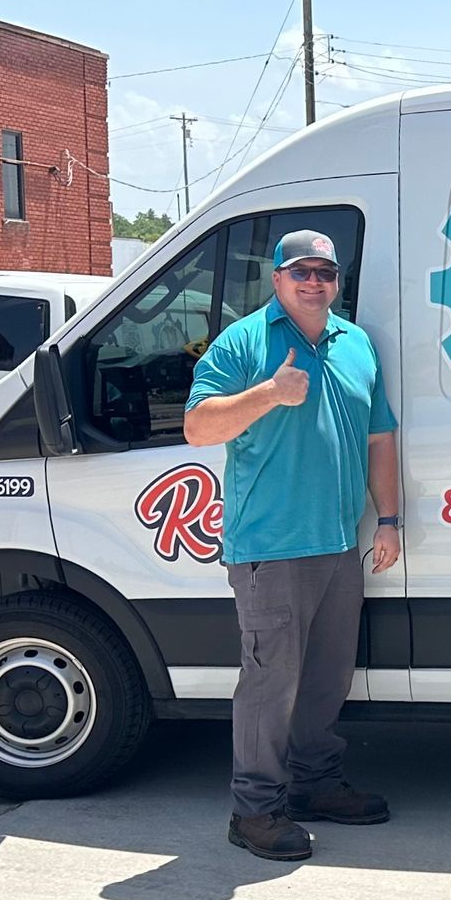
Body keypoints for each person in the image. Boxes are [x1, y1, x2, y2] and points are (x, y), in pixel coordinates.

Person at [184, 228, 402, 862]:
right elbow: (197, 427)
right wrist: (269, 394)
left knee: (326, 678)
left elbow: (379, 438)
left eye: (325, 273)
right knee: (270, 685)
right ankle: (254, 811)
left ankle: (314, 785)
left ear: (337, 282)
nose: (314, 283)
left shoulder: (355, 343)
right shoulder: (244, 341)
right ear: (276, 278)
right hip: (271, 546)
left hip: (338, 543)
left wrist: (388, 518)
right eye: (300, 272)